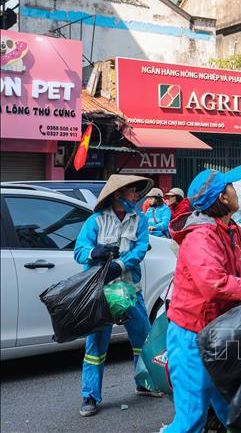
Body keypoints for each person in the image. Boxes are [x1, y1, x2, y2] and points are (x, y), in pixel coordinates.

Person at [162, 169, 241, 432]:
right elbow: (213, 285)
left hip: (221, 333)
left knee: (235, 411)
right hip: (191, 337)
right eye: (231, 187)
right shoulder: (200, 236)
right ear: (222, 197)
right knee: (190, 420)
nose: (236, 191)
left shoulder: (234, 230)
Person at [73, 174, 162, 417]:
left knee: (142, 338)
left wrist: (119, 265)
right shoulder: (95, 221)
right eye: (132, 191)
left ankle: (143, 383)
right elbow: (79, 252)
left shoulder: (140, 220)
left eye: (136, 191)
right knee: (96, 345)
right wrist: (95, 251)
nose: (136, 196)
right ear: (118, 194)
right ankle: (89, 396)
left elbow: (141, 249)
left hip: (127, 290)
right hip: (101, 292)